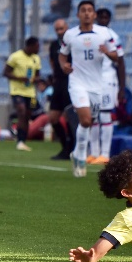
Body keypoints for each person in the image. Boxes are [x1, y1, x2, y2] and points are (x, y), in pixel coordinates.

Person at [59, 0, 118, 178]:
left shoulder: (104, 33)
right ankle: (82, 156)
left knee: (89, 122)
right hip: (77, 83)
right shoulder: (70, 34)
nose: (86, 13)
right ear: (78, 15)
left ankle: (77, 152)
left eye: (89, 10)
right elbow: (62, 55)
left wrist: (107, 52)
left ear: (94, 15)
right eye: (83, 10)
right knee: (85, 121)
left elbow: (116, 56)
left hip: (97, 86)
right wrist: (64, 66)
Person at [87, 8, 126, 165]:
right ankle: (94, 153)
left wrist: (122, 88)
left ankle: (105, 153)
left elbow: (120, 61)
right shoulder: (92, 35)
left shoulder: (112, 36)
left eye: (106, 17)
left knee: (104, 115)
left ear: (109, 19)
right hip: (93, 80)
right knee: (94, 117)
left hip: (107, 80)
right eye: (100, 17)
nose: (103, 19)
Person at [3, 37, 42, 151]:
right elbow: (6, 72)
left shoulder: (36, 58)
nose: (38, 48)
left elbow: (38, 75)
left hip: (30, 92)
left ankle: (23, 140)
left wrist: (36, 79)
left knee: (27, 116)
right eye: (37, 46)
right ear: (30, 46)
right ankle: (19, 141)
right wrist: (19, 78)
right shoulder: (16, 56)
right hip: (17, 90)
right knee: (21, 111)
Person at [48, 19, 74, 160]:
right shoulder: (53, 45)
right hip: (58, 83)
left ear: (67, 28)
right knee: (53, 117)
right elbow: (52, 62)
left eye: (61, 29)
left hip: (70, 82)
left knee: (70, 117)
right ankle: (65, 147)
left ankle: (72, 148)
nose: (59, 32)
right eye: (57, 29)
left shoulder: (73, 43)